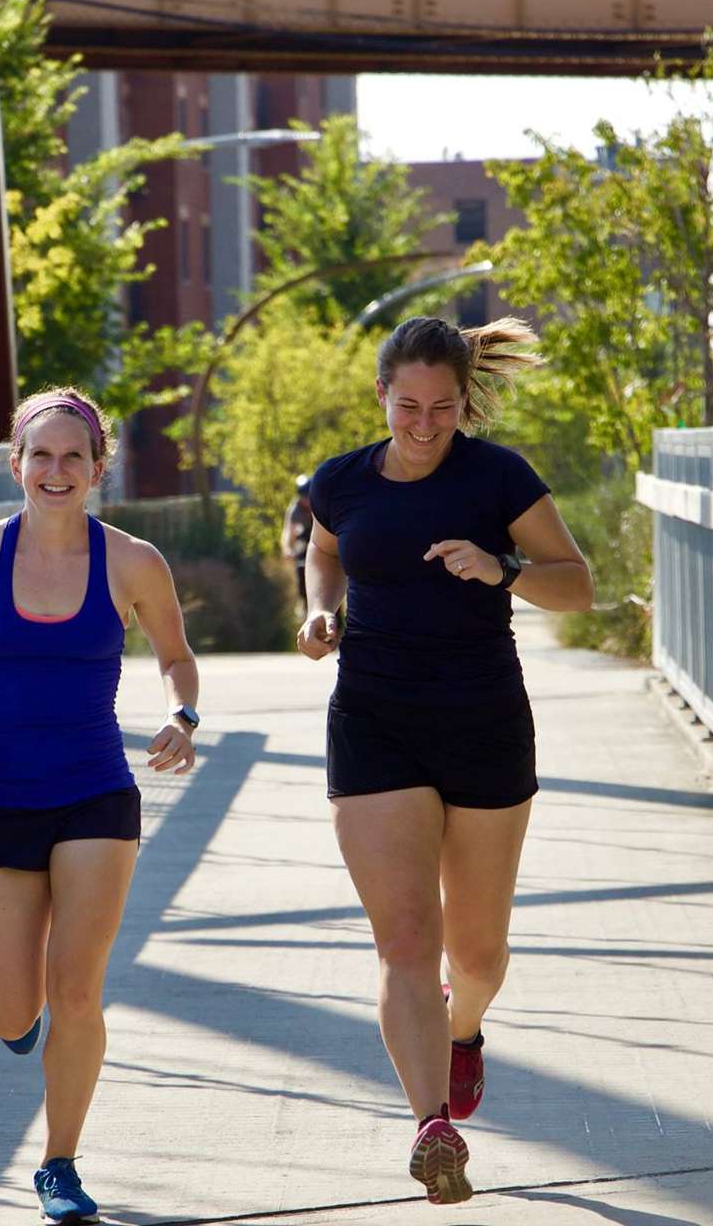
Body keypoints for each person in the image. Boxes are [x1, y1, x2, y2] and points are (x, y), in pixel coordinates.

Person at [296, 316, 593, 1206]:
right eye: (409, 405)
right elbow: (324, 551)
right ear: (381, 396)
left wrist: (499, 566)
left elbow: (575, 585)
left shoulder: (498, 476)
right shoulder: (340, 480)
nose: (425, 424)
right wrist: (320, 611)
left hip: (483, 724)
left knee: (477, 949)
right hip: (375, 721)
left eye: (444, 408)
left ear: (466, 402)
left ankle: (464, 1031)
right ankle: (432, 1123)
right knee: (406, 941)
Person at [0, 386, 200, 1226]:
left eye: (73, 457)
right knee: (10, 1010)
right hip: (0, 793)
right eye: (40, 455)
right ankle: (23, 1016)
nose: (55, 470)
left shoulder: (133, 562)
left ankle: (59, 1164)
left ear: (97, 469)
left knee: (76, 992)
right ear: (16, 465)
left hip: (94, 795)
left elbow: (177, 658)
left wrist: (182, 716)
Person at [281, 473, 314, 616]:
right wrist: (288, 549)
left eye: (308, 495)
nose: (306, 500)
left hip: (322, 542)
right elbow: (288, 532)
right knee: (301, 566)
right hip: (305, 542)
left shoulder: (321, 505)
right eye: (303, 496)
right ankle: (304, 602)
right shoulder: (295, 510)